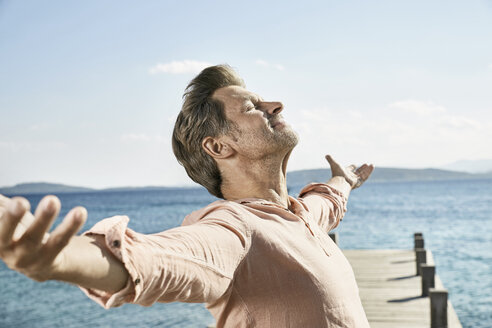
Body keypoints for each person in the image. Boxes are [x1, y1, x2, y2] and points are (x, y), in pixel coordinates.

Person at [0, 65, 374, 327]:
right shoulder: (236, 229)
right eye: (252, 107)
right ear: (219, 146)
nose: (275, 105)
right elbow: (161, 259)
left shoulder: (302, 216)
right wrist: (59, 258)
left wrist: (344, 181)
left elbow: (328, 201)